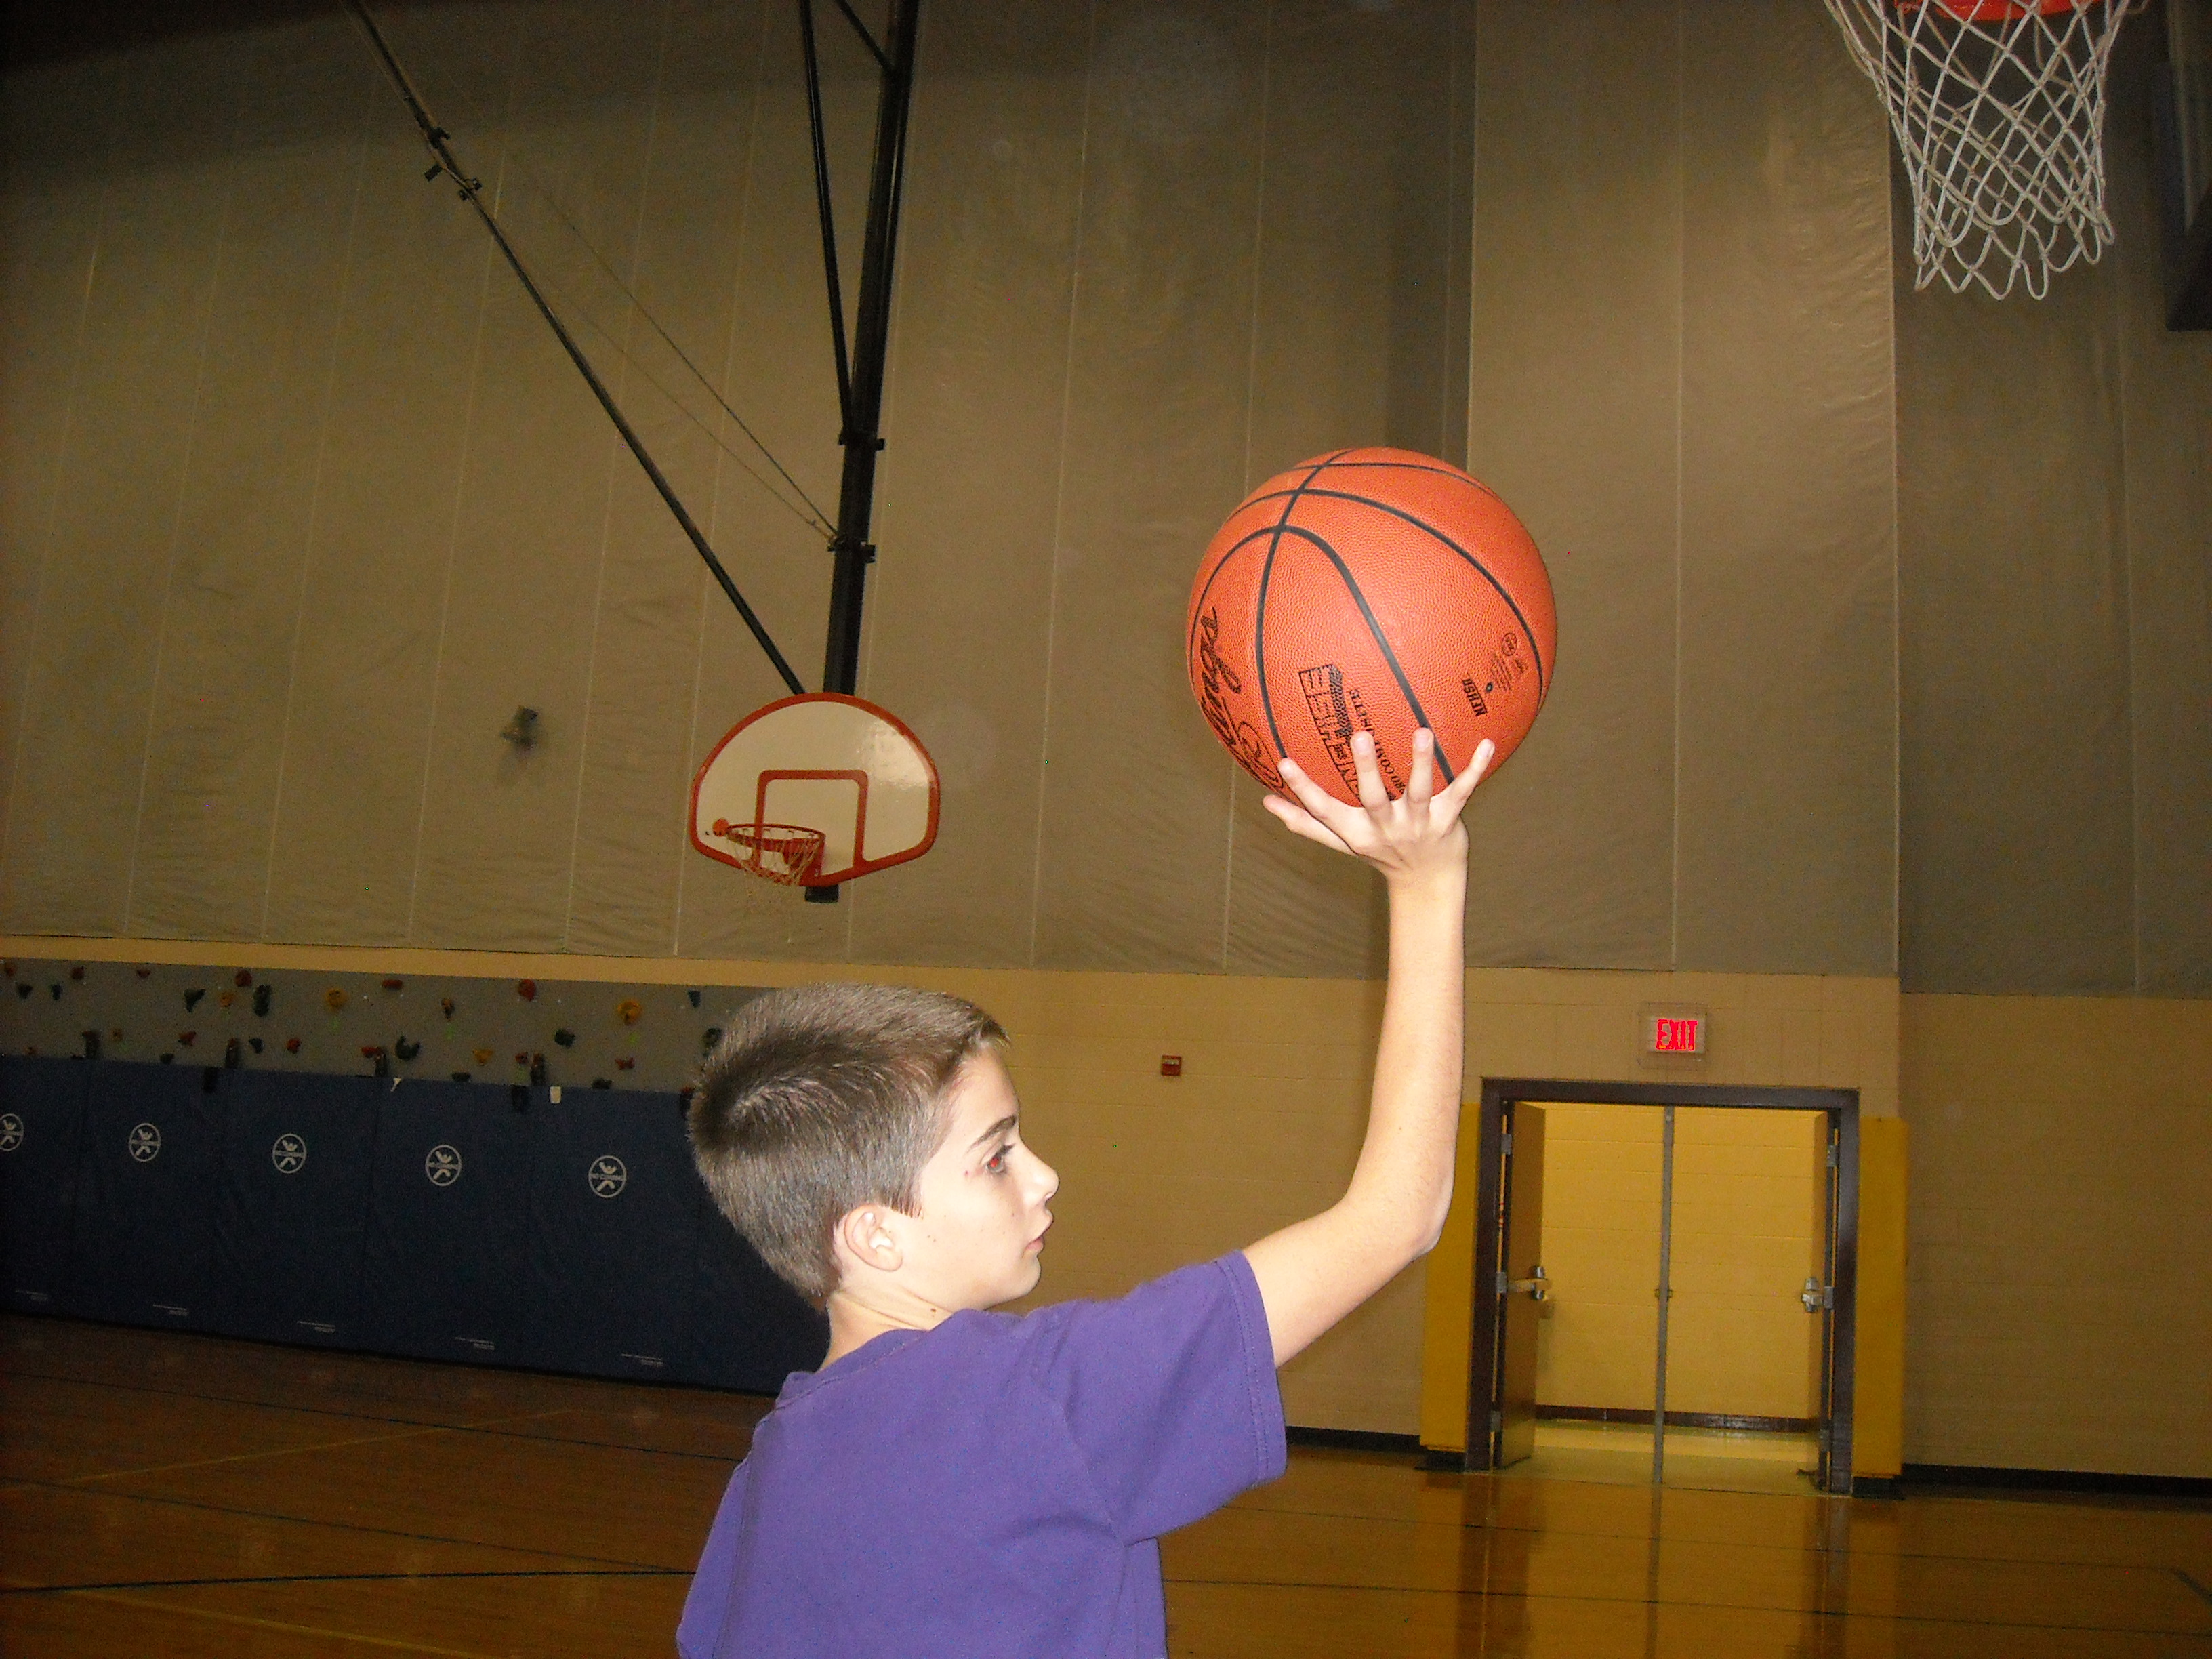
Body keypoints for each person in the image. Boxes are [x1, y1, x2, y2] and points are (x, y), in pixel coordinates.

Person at [678, 728, 1492, 1659]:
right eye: (996, 1156)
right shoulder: (1031, 1403)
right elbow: (1396, 1218)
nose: (1045, 1174)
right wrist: (1427, 887)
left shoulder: (768, 1473)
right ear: (876, 1236)